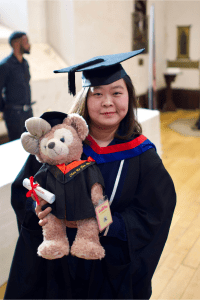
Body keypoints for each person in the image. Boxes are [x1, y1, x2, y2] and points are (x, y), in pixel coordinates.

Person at [4, 49, 176, 299]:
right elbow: (25, 189)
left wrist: (107, 224)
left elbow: (155, 213)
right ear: (85, 98)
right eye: (98, 94)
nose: (108, 102)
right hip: (57, 268)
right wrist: (37, 207)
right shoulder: (59, 143)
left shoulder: (142, 155)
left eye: (117, 92)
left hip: (108, 268)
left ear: (129, 97)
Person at [0, 31, 34, 142]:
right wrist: (4, 110)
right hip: (13, 115)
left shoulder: (25, 63)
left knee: (31, 144)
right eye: (26, 42)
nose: (29, 45)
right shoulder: (5, 65)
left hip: (28, 112)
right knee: (17, 146)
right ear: (16, 44)